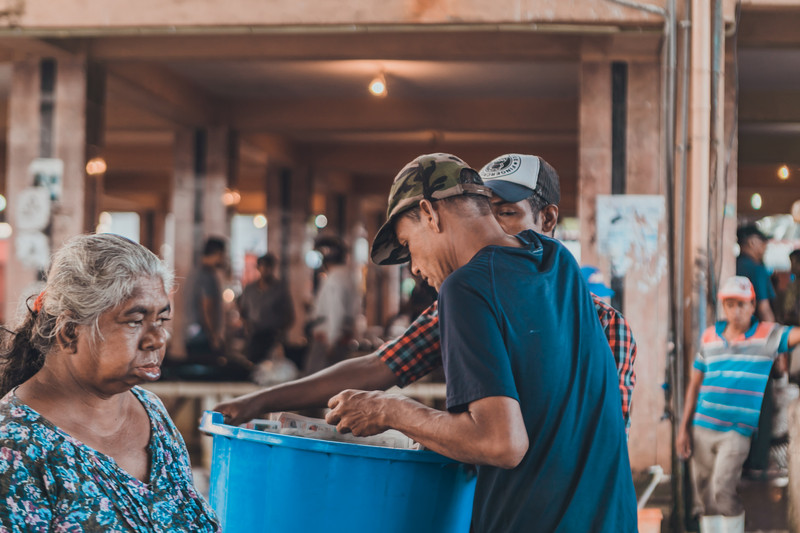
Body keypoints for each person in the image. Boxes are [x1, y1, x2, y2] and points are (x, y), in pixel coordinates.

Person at [213, 154, 637, 438]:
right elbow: (382, 364)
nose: (492, 230)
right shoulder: (477, 294)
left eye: (506, 214)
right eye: (484, 211)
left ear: (548, 220)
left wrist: (398, 414)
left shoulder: (597, 320)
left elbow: (555, 441)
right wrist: (260, 401)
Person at [324, 153, 636, 532]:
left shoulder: (465, 288)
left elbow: (501, 443)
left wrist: (390, 411)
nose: (416, 269)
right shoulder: (559, 263)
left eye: (409, 244)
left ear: (429, 213)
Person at [0, 233, 219, 532]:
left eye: (162, 320)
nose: (157, 338)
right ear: (70, 333)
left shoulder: (151, 411)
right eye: (134, 320)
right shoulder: (15, 445)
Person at [676, 275, 800, 532]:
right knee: (704, 497)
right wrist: (683, 428)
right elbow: (694, 384)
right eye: (730, 304)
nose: (736, 310)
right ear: (724, 306)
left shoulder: (767, 336)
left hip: (736, 430)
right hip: (702, 427)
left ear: (753, 305)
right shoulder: (710, 336)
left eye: (742, 304)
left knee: (722, 489)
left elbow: (795, 335)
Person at [304, 236, 360, 374]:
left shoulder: (335, 278)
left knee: (317, 383)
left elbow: (336, 310)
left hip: (328, 338)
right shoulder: (347, 276)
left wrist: (332, 340)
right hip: (338, 336)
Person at [238, 253, 295, 364]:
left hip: (272, 336)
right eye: (263, 266)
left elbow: (289, 314)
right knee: (251, 364)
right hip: (253, 335)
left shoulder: (279, 289)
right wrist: (245, 324)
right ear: (258, 268)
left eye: (269, 267)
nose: (265, 270)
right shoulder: (250, 289)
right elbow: (242, 308)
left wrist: (280, 333)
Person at [184, 236, 227, 365]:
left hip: (191, 335)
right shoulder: (207, 275)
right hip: (203, 338)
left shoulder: (194, 271)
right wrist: (214, 336)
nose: (223, 259)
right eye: (223, 255)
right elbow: (207, 307)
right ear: (217, 253)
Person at [736, 224, 775, 322]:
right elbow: (764, 308)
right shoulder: (757, 269)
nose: (766, 246)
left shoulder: (732, 265)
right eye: (763, 242)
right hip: (755, 329)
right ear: (752, 242)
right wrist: (772, 334)